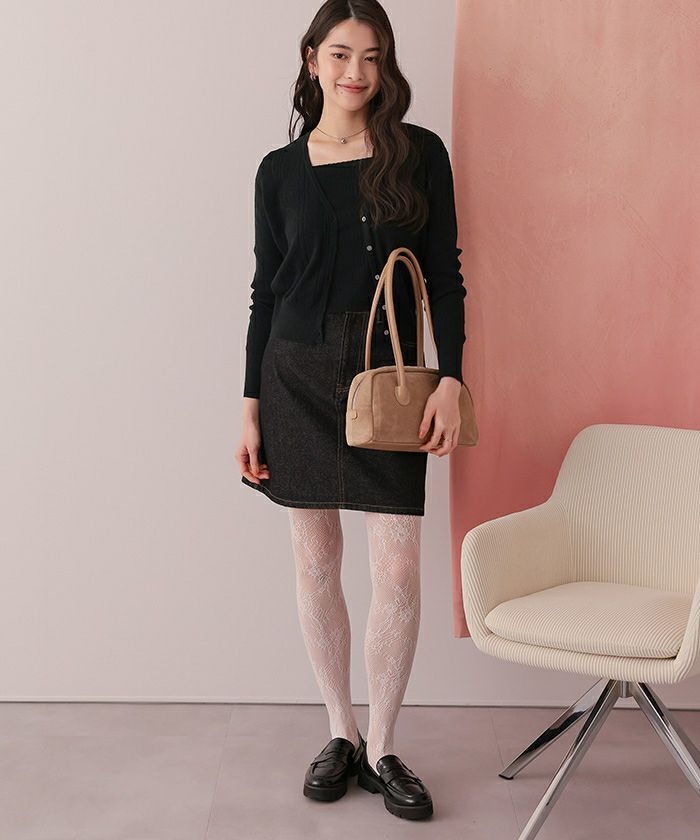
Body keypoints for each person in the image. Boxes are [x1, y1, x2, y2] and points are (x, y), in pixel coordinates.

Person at [236, 0, 467, 822]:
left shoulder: (419, 154)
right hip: (294, 375)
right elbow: (265, 293)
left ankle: (386, 744)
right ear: (312, 59)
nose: (356, 72)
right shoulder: (278, 170)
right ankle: (341, 731)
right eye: (339, 54)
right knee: (315, 562)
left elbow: (444, 275)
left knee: (397, 570)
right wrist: (249, 405)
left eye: (371, 56)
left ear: (385, 64)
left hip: (390, 380)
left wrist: (453, 377)